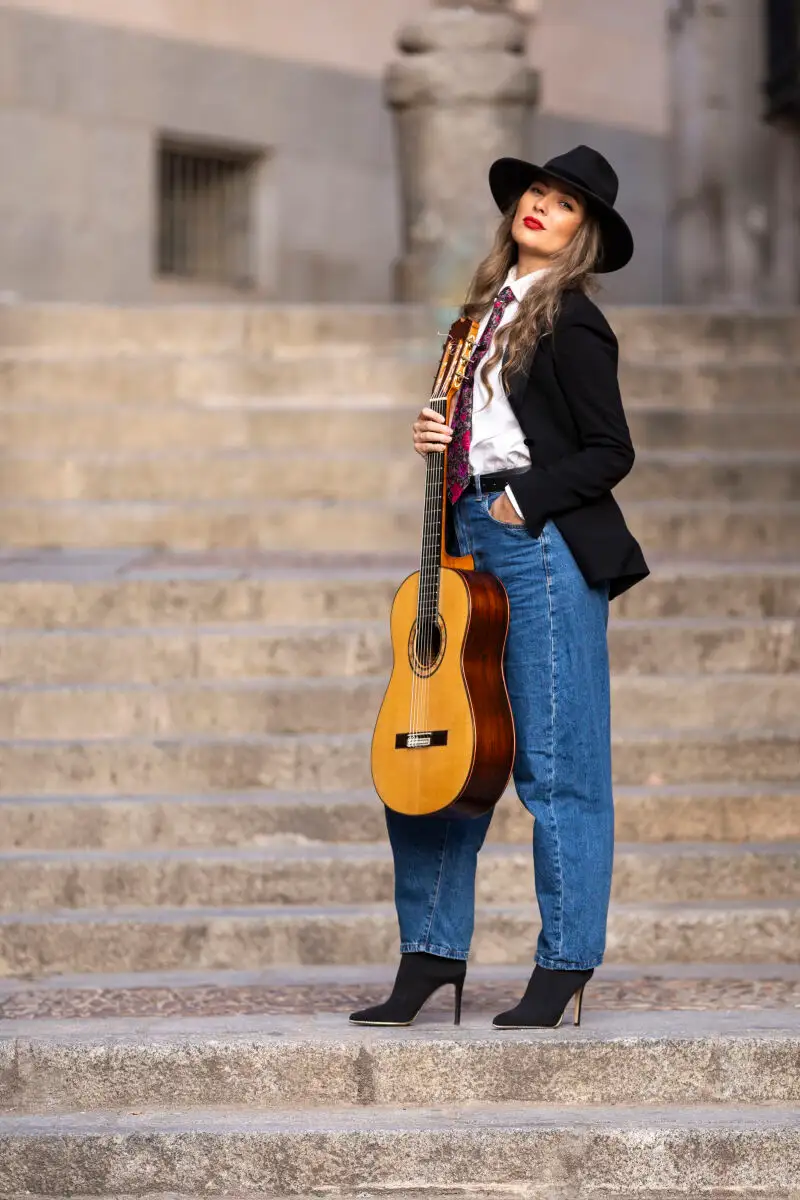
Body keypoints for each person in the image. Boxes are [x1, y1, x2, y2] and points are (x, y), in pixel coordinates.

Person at [351, 145, 650, 1030]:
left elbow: (610, 451)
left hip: (541, 544)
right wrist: (435, 438)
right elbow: (479, 430)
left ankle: (563, 966)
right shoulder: (477, 318)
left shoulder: (573, 322)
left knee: (557, 767)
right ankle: (429, 957)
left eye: (563, 205)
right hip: (466, 536)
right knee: (436, 753)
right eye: (537, 193)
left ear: (580, 234)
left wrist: (522, 501)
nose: (541, 208)